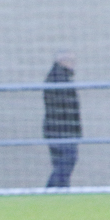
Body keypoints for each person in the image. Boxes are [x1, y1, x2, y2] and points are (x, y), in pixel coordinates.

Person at [43, 51, 82, 188]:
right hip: (63, 129)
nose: (73, 64)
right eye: (71, 61)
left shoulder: (57, 77)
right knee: (66, 162)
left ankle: (61, 193)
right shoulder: (59, 79)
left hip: (57, 129)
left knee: (61, 164)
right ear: (62, 61)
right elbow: (67, 107)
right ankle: (51, 191)